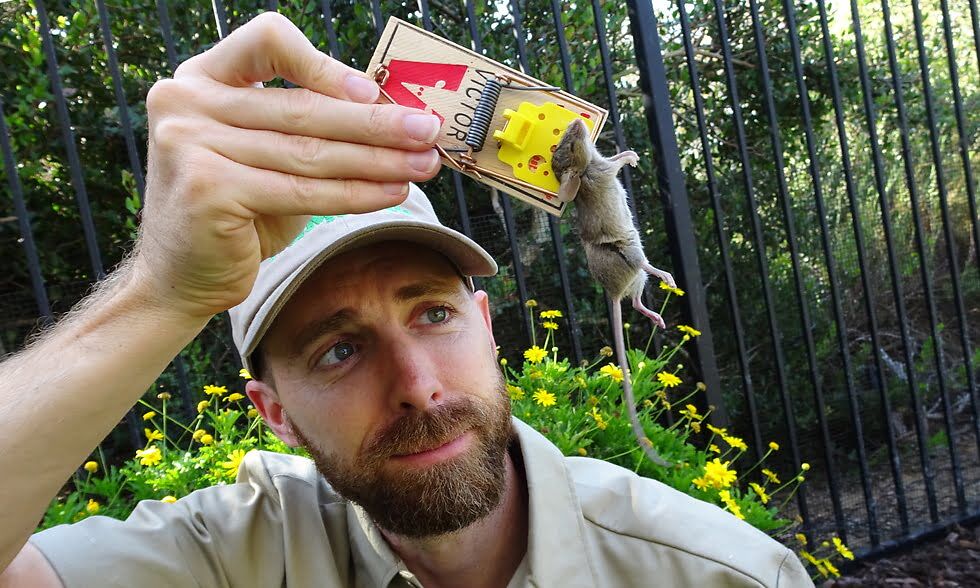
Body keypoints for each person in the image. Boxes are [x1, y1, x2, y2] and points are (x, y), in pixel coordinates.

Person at [0, 13, 812, 588]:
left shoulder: (718, 574)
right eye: (339, 350)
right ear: (272, 411)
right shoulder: (234, 556)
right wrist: (158, 295)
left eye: (433, 312)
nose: (418, 384)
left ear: (488, 328)